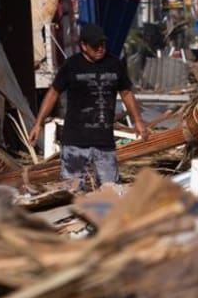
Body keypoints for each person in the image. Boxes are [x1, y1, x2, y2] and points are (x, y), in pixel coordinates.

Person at [28, 23, 149, 188]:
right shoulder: (71, 66)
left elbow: (126, 93)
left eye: (102, 44)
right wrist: (38, 123)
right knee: (72, 190)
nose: (100, 48)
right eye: (95, 45)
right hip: (75, 142)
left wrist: (138, 121)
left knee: (111, 189)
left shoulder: (114, 64)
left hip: (104, 141)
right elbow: (53, 93)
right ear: (83, 46)